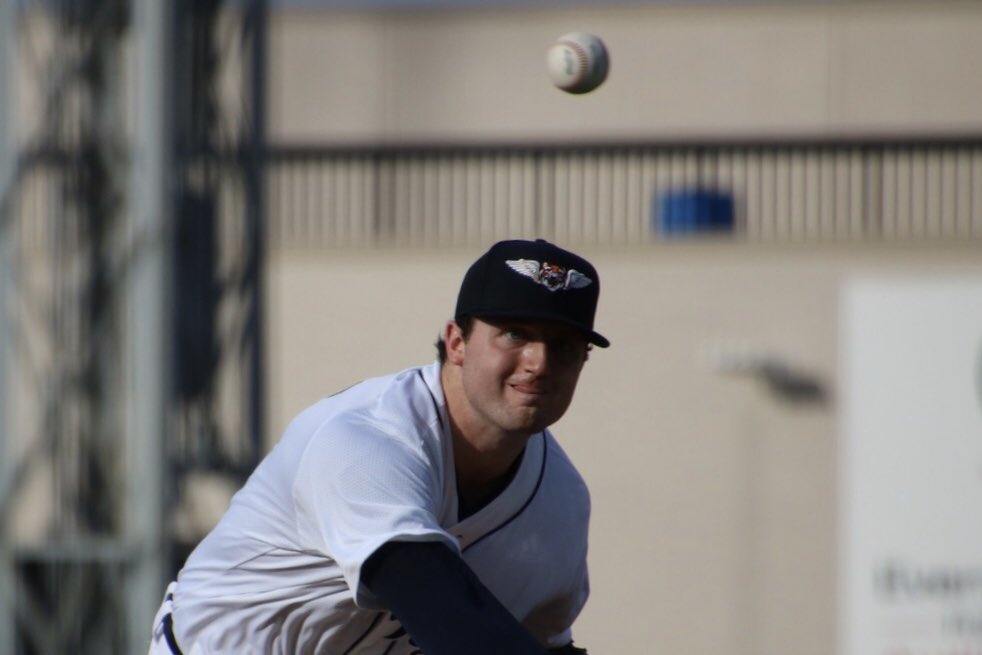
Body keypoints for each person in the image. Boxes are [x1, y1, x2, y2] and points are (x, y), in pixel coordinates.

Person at [148, 238, 610, 655]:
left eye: (565, 346)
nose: (538, 362)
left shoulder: (562, 500)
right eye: (515, 334)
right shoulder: (368, 440)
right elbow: (442, 611)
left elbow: (543, 644)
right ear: (457, 342)